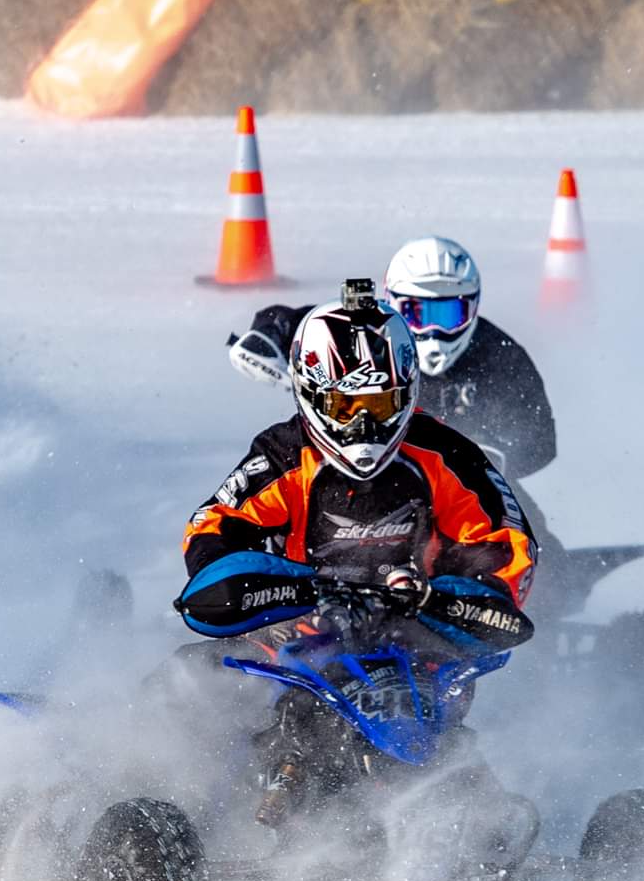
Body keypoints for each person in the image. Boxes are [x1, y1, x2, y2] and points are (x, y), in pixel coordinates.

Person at [176, 281, 536, 822]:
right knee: (188, 688)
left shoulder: (445, 454)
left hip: (418, 645)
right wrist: (262, 585)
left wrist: (457, 593)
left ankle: (489, 837)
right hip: (299, 639)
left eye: (381, 404)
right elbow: (214, 526)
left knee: (449, 761)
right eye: (347, 405)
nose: (365, 425)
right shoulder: (283, 455)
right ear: (315, 397)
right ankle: (168, 811)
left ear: (408, 392)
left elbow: (506, 544)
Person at [228, 236, 555, 481]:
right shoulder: (360, 326)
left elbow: (541, 440)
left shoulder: (499, 356)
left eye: (449, 313)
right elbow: (292, 320)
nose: (433, 329)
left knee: (526, 529)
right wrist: (267, 335)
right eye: (417, 312)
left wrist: (496, 457)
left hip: (454, 478)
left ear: (473, 308)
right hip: (349, 458)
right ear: (391, 302)